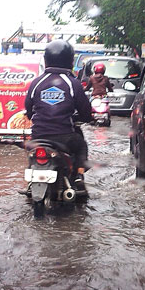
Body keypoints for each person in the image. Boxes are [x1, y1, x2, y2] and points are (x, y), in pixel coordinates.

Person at [25, 41, 93, 190]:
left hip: (38, 136)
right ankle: (78, 177)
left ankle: (30, 182)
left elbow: (28, 109)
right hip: (65, 137)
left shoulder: (36, 82)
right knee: (81, 145)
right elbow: (86, 112)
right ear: (70, 60)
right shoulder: (73, 83)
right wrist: (87, 118)